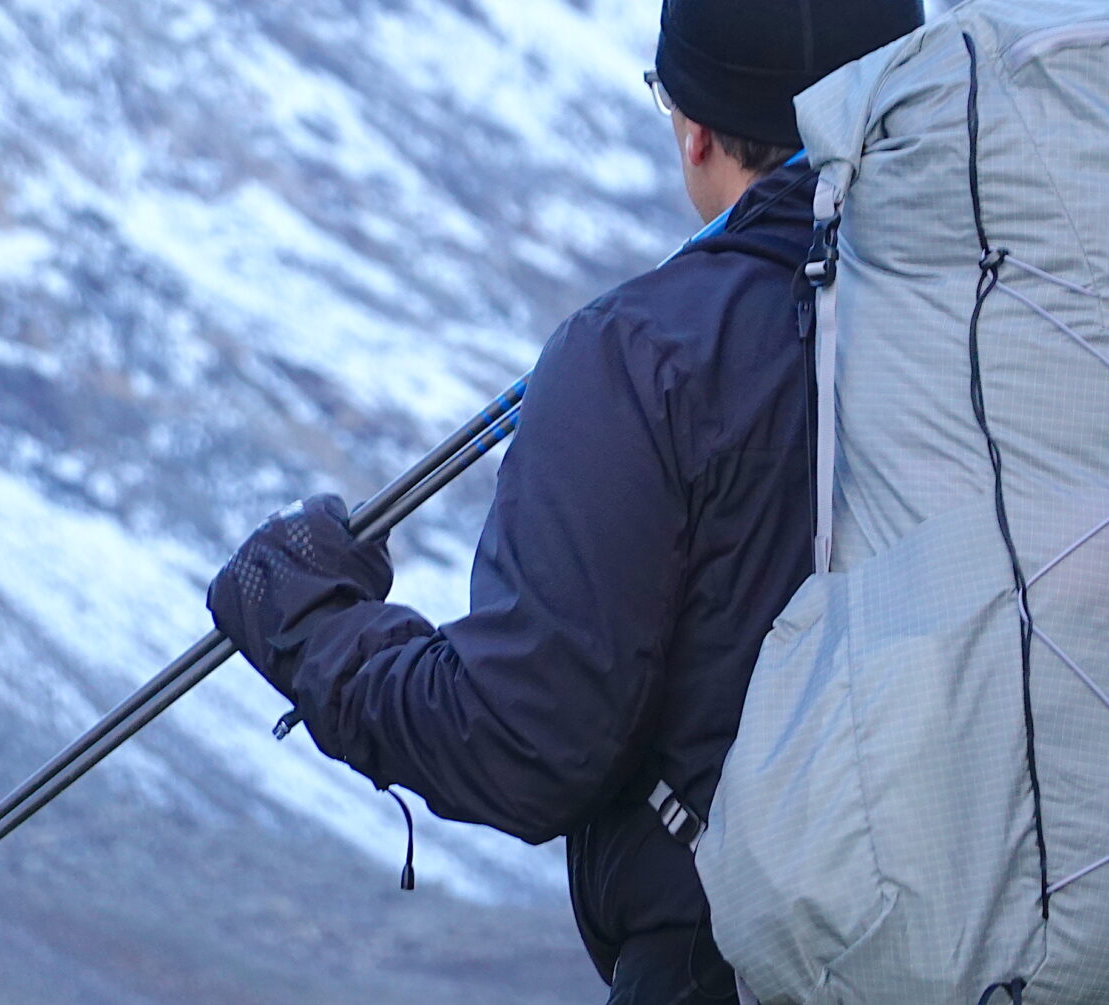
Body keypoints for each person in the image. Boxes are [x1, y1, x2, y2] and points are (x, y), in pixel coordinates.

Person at [207, 1, 925, 1001]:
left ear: (694, 128)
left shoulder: (644, 353)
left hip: (741, 965)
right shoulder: (1030, 316)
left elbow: (522, 742)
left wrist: (307, 622)